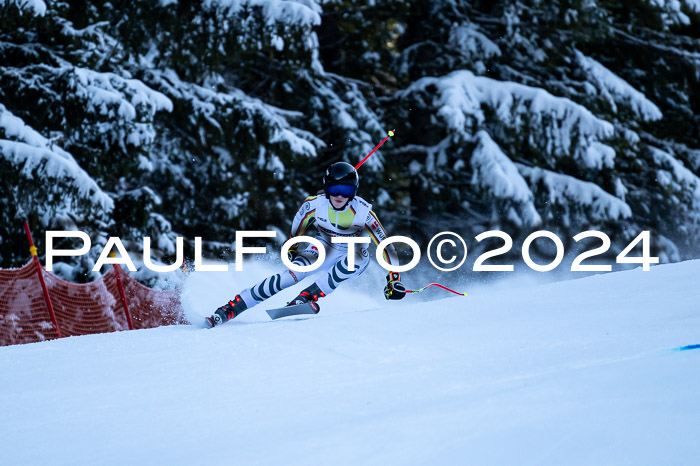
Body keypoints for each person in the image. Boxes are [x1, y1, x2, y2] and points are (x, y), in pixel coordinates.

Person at [206, 161, 406, 327]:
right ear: (326, 188)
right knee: (289, 276)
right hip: (325, 246)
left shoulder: (364, 213)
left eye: (346, 191)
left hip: (354, 252)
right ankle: (232, 307)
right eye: (334, 189)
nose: (339, 196)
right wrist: (292, 246)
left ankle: (307, 296)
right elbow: (298, 223)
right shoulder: (314, 205)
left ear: (354, 192)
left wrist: (393, 280)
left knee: (354, 258)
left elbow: (387, 246)